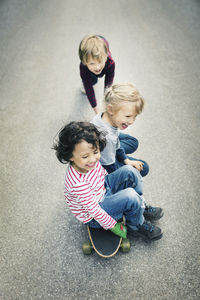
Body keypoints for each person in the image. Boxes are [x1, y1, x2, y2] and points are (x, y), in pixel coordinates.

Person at [53, 121, 163, 241]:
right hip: (96, 215)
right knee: (130, 196)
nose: (93, 159)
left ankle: (139, 206)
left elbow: (103, 174)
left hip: (103, 188)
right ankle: (136, 225)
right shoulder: (77, 184)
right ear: (70, 156)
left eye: (96, 152)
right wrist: (112, 225)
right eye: (85, 156)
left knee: (129, 171)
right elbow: (95, 211)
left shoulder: (88, 163)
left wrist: (116, 184)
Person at [91, 82, 164, 221]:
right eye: (128, 116)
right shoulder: (106, 137)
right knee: (141, 168)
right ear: (111, 109)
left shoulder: (106, 117)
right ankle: (137, 205)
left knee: (133, 144)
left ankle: (137, 201)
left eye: (135, 117)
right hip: (105, 167)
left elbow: (117, 144)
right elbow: (110, 168)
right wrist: (125, 172)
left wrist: (126, 160)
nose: (132, 121)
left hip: (110, 150)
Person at [79, 35, 115, 114]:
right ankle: (92, 79)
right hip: (88, 71)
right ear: (85, 62)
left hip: (103, 40)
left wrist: (106, 102)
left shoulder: (110, 63)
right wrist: (96, 108)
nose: (97, 67)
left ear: (105, 57)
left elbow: (108, 83)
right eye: (92, 63)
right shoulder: (83, 67)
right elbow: (88, 87)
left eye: (100, 62)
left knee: (107, 86)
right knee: (92, 81)